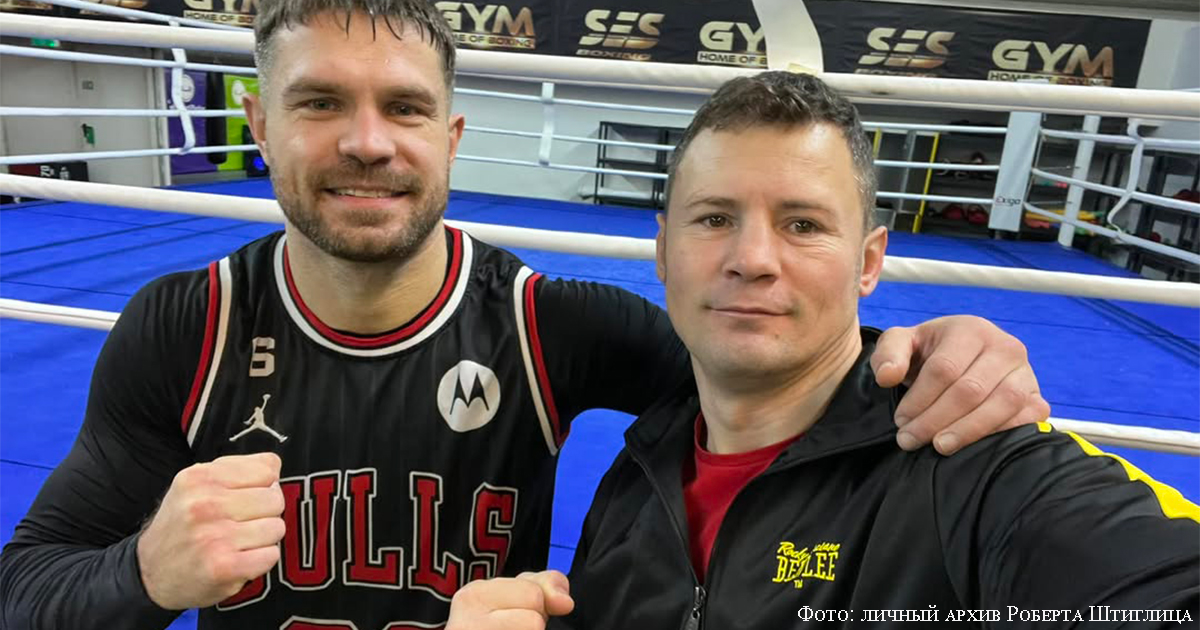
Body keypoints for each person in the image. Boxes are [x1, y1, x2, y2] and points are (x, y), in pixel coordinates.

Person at [0, 3, 1051, 630]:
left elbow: (780, 378)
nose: (368, 142)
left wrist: (929, 356)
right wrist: (144, 574)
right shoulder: (189, 328)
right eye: (320, 103)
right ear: (259, 125)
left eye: (405, 107)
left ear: (451, 138)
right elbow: (27, 586)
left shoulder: (549, 325)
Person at [445, 71, 1200, 630]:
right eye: (714, 218)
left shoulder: (968, 465)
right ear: (664, 252)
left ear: (868, 263)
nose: (752, 259)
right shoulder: (639, 471)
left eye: (802, 224)